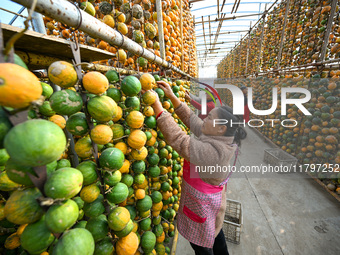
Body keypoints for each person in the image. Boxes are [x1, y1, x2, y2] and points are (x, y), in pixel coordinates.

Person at [149, 81, 245, 255]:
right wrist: (173, 98)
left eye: (209, 118)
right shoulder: (218, 136)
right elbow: (193, 122)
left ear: (221, 128)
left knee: (201, 244)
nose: (204, 119)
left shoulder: (214, 152)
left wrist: (158, 108)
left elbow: (180, 140)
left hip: (202, 203)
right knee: (215, 233)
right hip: (207, 200)